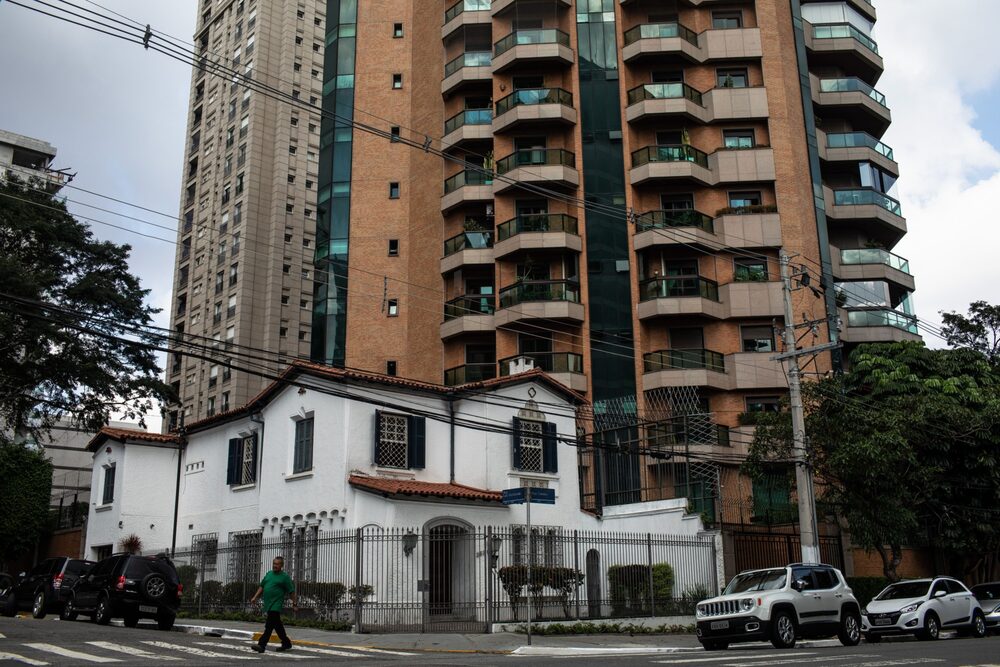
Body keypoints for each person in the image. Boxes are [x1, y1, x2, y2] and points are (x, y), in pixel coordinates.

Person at [249, 556, 297, 653]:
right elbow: (262, 586)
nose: (275, 566)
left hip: (276, 604)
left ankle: (262, 645)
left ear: (281, 566)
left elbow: (291, 591)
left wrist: (294, 604)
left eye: (277, 564)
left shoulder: (284, 577)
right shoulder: (269, 574)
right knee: (277, 625)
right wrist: (255, 597)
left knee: (269, 625)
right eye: (274, 564)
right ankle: (286, 643)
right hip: (268, 604)